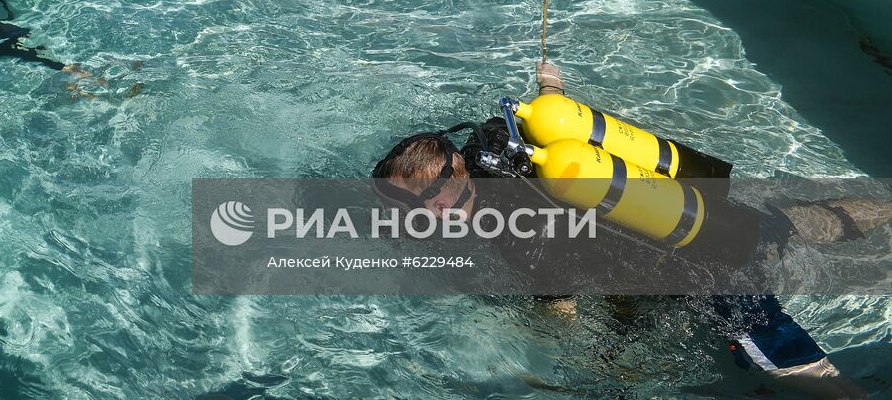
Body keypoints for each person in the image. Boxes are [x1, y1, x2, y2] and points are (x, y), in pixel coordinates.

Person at [373, 97, 889, 398]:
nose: (415, 219)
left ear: (443, 189)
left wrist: (565, 368)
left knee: (783, 360)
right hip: (690, 210)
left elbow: (562, 308)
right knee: (789, 223)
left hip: (698, 266)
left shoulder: (511, 231)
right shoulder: (496, 142)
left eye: (415, 206)